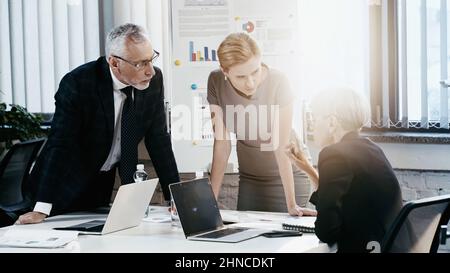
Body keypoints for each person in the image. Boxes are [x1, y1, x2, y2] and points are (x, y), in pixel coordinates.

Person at [14, 23, 180, 225]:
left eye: (151, 59)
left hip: (100, 186)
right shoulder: (79, 83)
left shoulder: (153, 81)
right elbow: (60, 146)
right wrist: (42, 208)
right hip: (59, 187)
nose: (150, 71)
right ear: (114, 62)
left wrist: (176, 197)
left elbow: (159, 139)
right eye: (141, 63)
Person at [208, 33, 315, 216]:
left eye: (255, 72)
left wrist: (292, 203)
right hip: (251, 177)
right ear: (225, 71)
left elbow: (281, 146)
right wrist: (210, 202)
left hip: (289, 175)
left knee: (283, 237)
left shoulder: (278, 81)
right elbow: (222, 144)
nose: (250, 83)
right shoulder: (216, 81)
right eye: (241, 76)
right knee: (246, 237)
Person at [287, 88, 403, 252]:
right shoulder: (372, 149)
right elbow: (348, 202)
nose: (312, 125)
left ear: (332, 123)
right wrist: (307, 168)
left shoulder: (334, 154)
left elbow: (327, 232)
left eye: (314, 118)